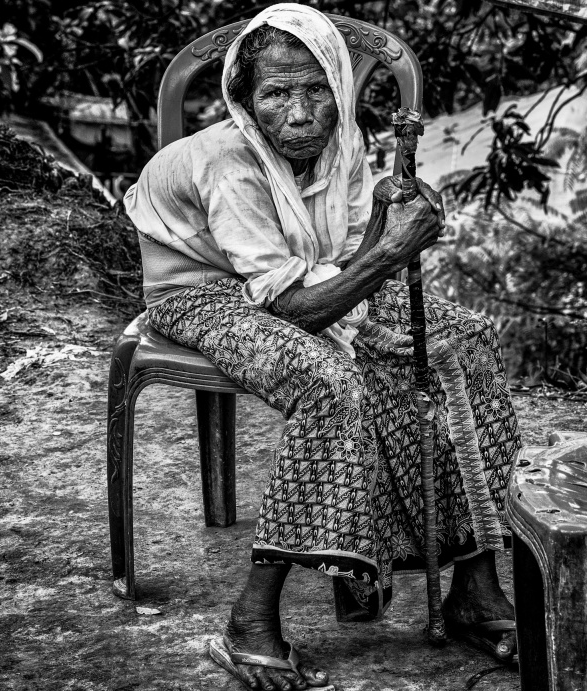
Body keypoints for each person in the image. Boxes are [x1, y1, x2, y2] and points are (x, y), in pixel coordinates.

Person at [123, 5, 521, 690]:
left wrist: (389, 226)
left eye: (314, 90)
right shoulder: (228, 164)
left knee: (461, 343)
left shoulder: (345, 143)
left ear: (337, 87)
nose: (300, 112)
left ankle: (475, 588)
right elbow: (294, 311)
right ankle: (249, 622)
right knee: (327, 379)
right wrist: (393, 249)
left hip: (306, 279)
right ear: (244, 100)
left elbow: (345, 259)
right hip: (204, 290)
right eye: (276, 94)